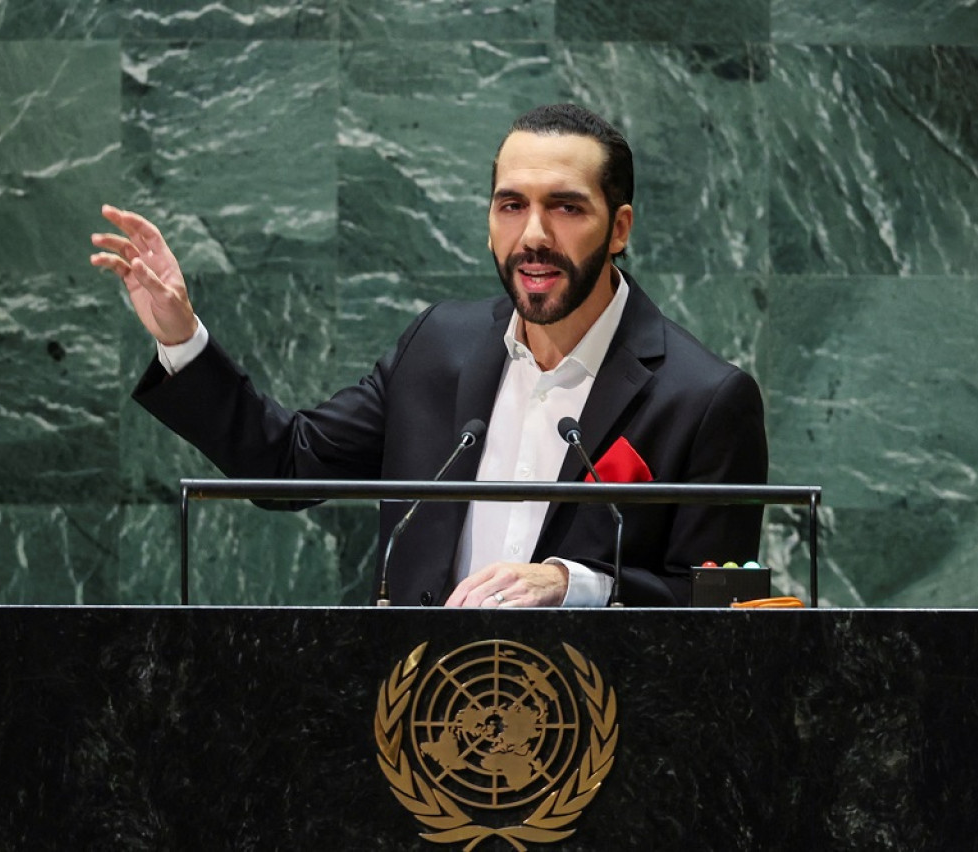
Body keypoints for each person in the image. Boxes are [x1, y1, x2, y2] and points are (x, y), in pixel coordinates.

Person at [91, 103, 767, 608]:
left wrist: (576, 585)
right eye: (510, 205)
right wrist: (179, 333)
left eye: (566, 207)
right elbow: (284, 467)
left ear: (619, 227)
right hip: (415, 723)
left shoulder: (704, 399)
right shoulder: (437, 348)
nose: (533, 235)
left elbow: (715, 611)